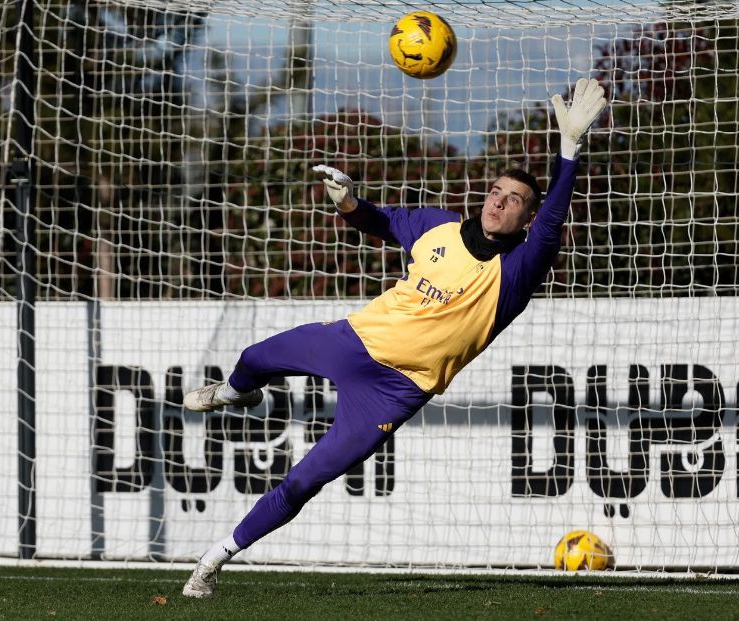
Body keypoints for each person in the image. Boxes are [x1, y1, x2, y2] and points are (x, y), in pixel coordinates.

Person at [181, 77, 607, 598]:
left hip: (395, 390)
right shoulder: (438, 227)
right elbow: (378, 222)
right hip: (354, 341)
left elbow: (555, 220)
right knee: (252, 357)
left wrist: (569, 148)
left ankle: (211, 561)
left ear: (526, 217)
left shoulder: (518, 269)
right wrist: (348, 202)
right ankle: (235, 393)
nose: (499, 202)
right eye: (495, 191)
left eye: (514, 199)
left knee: (303, 482)